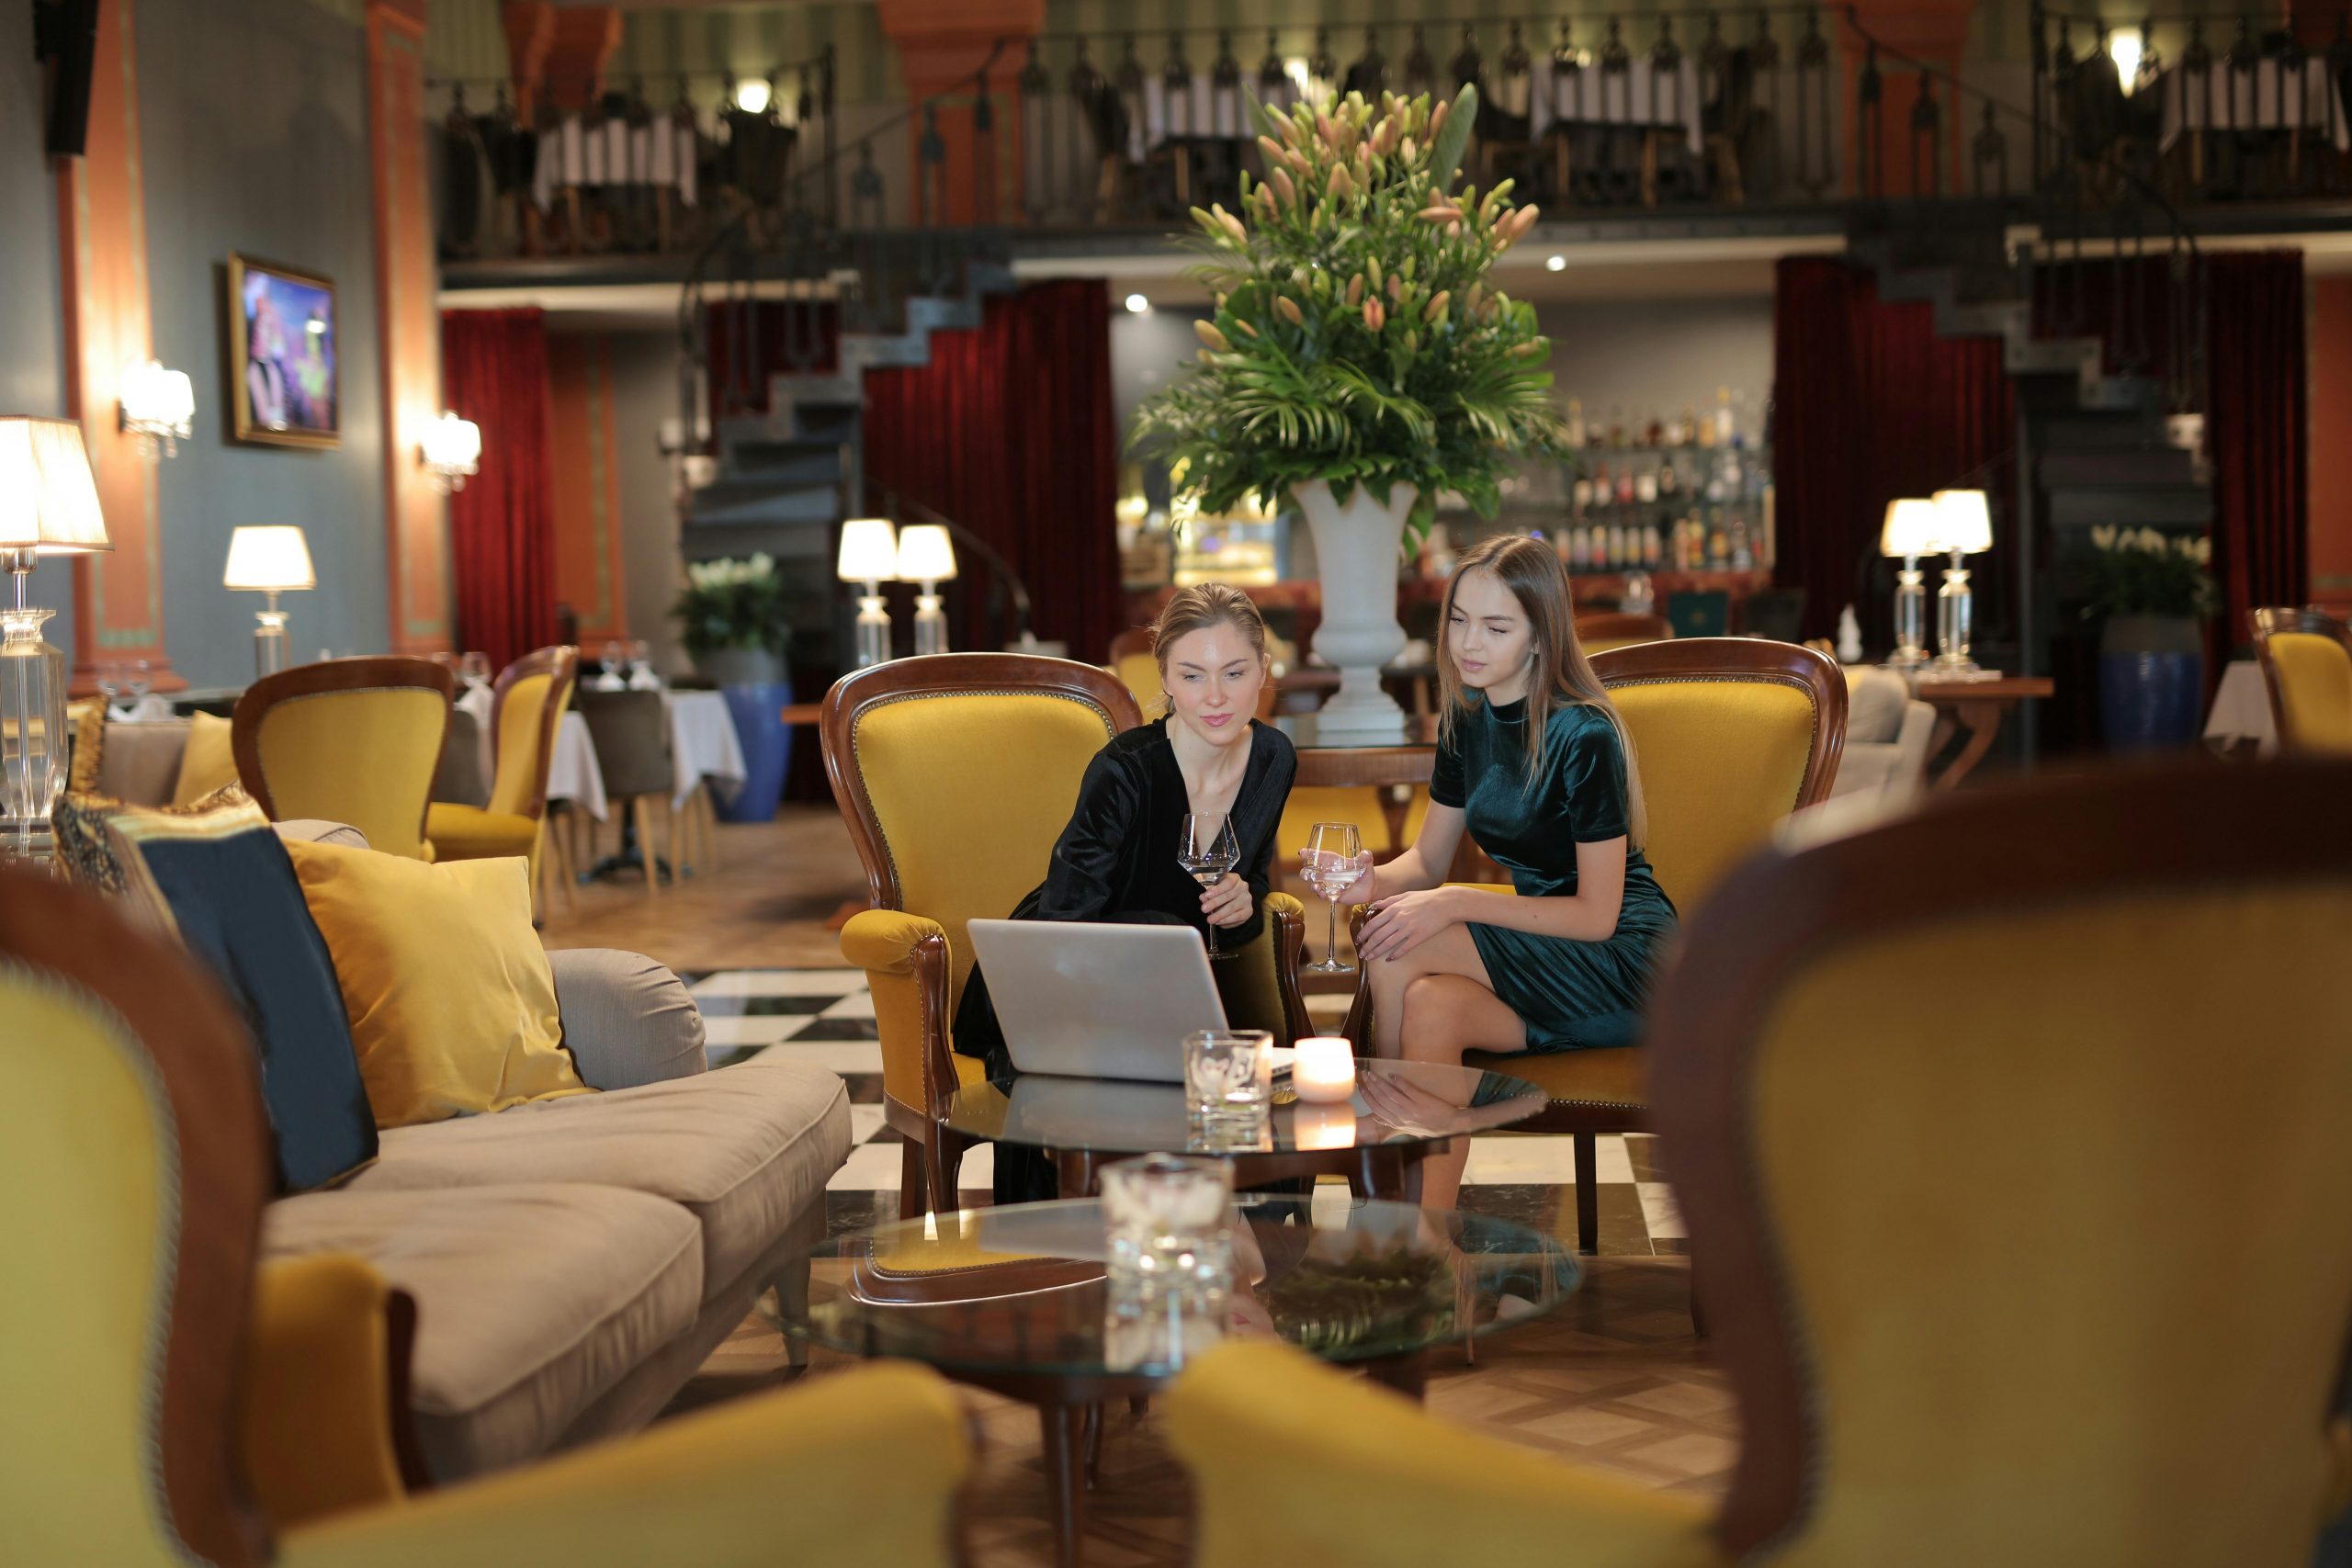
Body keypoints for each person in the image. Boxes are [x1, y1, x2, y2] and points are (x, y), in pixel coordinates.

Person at [1320, 533, 1678, 1213]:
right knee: (1426, 1001)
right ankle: (1428, 1238)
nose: (1468, 643)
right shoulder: (1467, 716)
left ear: (1541, 635)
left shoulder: (1585, 734)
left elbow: (1596, 915)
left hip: (1620, 957)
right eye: (1458, 619)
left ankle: (1384, 1203)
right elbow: (1425, 860)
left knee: (1400, 944)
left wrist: (1455, 901)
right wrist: (1367, 879)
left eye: (1495, 625)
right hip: (1540, 949)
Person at [954, 581, 1297, 1201]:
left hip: (1182, 994)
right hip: (1062, 982)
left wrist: (1246, 903)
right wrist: (1153, 949)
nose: (1215, 696)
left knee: (1263, 1097)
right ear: (1164, 678)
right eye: (1193, 675)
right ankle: (1127, 1251)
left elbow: (1253, 888)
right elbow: (1063, 923)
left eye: (1234, 672)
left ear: (1264, 671)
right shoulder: (1125, 769)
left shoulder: (1274, 758)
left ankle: (1215, 1253)